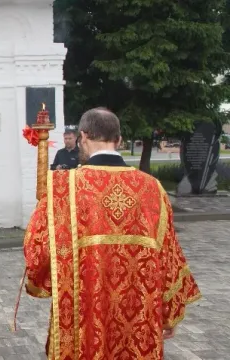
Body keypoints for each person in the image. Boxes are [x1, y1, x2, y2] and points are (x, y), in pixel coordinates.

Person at [24, 108, 201, 359]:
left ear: (83, 136)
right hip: (139, 321)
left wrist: (49, 279)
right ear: (118, 140)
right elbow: (169, 256)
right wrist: (168, 311)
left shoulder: (62, 188)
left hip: (82, 318)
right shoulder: (153, 189)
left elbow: (38, 251)